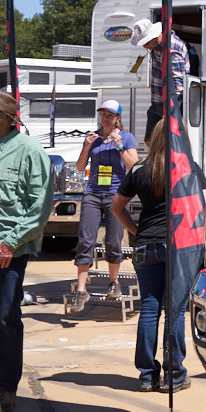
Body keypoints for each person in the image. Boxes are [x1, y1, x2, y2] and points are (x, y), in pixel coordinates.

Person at [111, 121, 206, 393]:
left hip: (146, 246)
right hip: (178, 247)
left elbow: (116, 207)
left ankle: (147, 375)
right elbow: (204, 206)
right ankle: (174, 375)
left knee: (149, 309)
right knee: (174, 310)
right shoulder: (189, 168)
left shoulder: (140, 168)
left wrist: (136, 230)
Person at [0, 91, 53, 412]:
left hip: (9, 250)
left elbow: (40, 207)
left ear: (3, 117)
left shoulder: (30, 152)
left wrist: (10, 242)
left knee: (5, 317)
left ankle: (4, 387)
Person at [71, 100, 139, 310]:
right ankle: (81, 291)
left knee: (113, 240)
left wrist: (119, 146)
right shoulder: (93, 136)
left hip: (116, 194)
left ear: (118, 118)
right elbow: (81, 167)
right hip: (93, 193)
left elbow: (134, 167)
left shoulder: (126, 137)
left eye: (110, 115)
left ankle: (114, 283)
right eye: (103, 114)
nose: (106, 118)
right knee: (86, 239)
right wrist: (87, 146)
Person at [131, 18, 189, 141]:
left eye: (146, 43)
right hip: (159, 103)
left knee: (167, 143)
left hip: (170, 105)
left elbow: (178, 85)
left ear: (154, 37)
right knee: (150, 141)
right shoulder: (158, 45)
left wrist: (172, 112)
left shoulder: (172, 49)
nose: (144, 46)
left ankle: (165, 160)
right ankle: (157, 159)